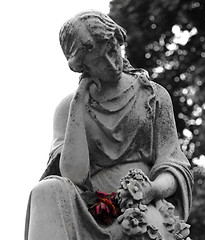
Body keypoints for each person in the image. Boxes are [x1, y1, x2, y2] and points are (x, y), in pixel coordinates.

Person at [25, 10, 193, 240]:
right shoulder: (68, 109)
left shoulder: (153, 96)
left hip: (143, 206)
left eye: (113, 51)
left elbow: (173, 165)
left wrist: (152, 189)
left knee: (146, 226)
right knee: (45, 190)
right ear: (84, 67)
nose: (112, 64)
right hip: (90, 210)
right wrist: (79, 106)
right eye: (98, 62)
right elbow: (73, 177)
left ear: (118, 41)